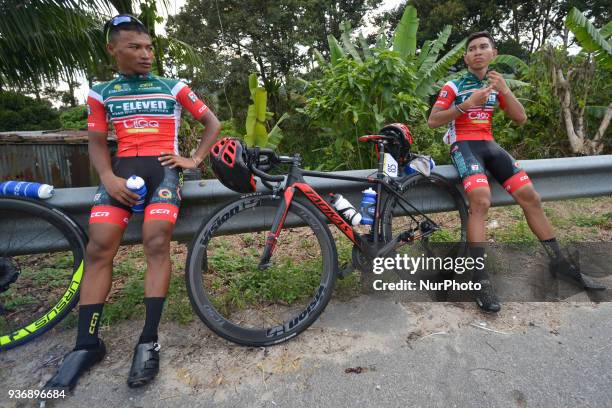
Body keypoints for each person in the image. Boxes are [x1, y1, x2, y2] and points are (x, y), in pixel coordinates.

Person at [43, 14, 220, 391]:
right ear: (113, 50)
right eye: (135, 47)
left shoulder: (174, 86)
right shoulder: (100, 91)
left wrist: (194, 159)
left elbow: (212, 124)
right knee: (98, 248)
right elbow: (95, 142)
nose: (146, 55)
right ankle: (86, 345)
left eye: (149, 47)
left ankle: (148, 339)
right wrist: (107, 178)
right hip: (119, 174)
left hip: (164, 172)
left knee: (156, 241)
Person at [427, 31, 605, 313]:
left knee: (530, 197)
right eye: (472, 48)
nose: (477, 52)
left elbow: (520, 118)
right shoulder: (453, 85)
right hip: (464, 145)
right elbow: (433, 121)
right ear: (465, 57)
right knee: (481, 200)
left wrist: (505, 91)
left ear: (493, 53)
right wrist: (466, 105)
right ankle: (480, 279)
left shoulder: (496, 83)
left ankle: (560, 263)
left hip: (489, 144)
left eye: (483, 47)